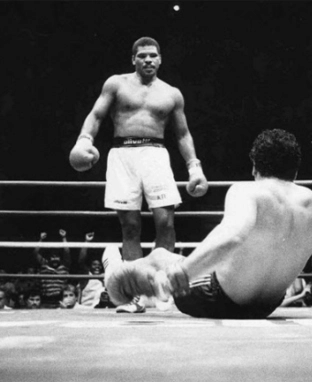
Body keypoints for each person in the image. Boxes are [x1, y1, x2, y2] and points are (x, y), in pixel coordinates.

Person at [102, 129, 312, 319]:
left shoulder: (247, 190)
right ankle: (137, 277)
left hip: (215, 300)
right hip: (266, 307)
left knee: (161, 256)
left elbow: (233, 237)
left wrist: (180, 274)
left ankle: (115, 267)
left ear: (254, 168)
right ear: (296, 170)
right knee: (175, 262)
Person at [69, 37, 209, 313]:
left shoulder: (171, 93)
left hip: (156, 154)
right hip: (123, 155)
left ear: (160, 59)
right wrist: (84, 140)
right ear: (133, 59)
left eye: (153, 55)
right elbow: (96, 116)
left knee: (165, 222)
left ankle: (164, 288)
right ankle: (135, 295)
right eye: (142, 55)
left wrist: (195, 167)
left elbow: (182, 134)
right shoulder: (116, 84)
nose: (148, 60)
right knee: (130, 227)